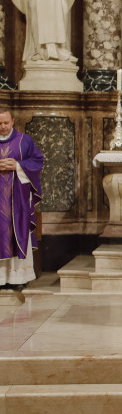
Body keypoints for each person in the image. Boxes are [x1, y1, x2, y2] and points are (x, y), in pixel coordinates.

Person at [0, 111, 43, 290]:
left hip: (17, 198)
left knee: (16, 229)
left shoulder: (25, 141)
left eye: (6, 123)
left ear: (13, 121)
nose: (3, 127)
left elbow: (38, 161)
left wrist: (18, 165)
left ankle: (18, 278)